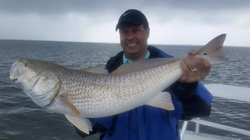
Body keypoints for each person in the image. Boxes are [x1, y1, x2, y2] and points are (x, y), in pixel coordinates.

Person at [75, 9, 212, 140]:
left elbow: (201, 109)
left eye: (135, 30)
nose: (129, 37)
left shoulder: (172, 68)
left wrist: (188, 87)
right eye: (124, 32)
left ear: (147, 32)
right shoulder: (107, 73)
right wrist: (76, 109)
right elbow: (94, 127)